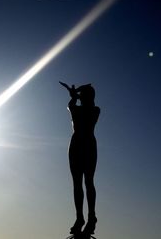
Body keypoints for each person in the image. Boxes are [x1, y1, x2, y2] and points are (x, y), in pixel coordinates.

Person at [60, 81, 100, 235]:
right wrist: (77, 93)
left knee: (88, 181)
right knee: (77, 184)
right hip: (76, 146)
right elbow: (72, 103)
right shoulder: (75, 108)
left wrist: (76, 93)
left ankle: (91, 217)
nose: (81, 98)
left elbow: (75, 103)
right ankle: (80, 218)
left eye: (84, 95)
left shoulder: (95, 110)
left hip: (88, 145)